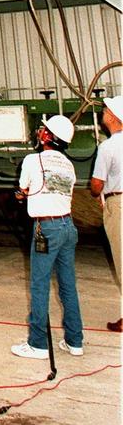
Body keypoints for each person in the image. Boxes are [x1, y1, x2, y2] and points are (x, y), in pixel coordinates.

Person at [12, 114, 83, 358]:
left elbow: (23, 190)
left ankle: (38, 344)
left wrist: (20, 195)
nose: (39, 132)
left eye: (43, 130)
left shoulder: (32, 160)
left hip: (47, 228)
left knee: (40, 285)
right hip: (68, 227)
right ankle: (75, 341)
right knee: (68, 286)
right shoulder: (69, 166)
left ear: (47, 136)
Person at [89, 94, 123, 333]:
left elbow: (96, 184)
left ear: (113, 117)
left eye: (105, 110)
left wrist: (97, 192)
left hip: (118, 204)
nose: (103, 113)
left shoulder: (107, 147)